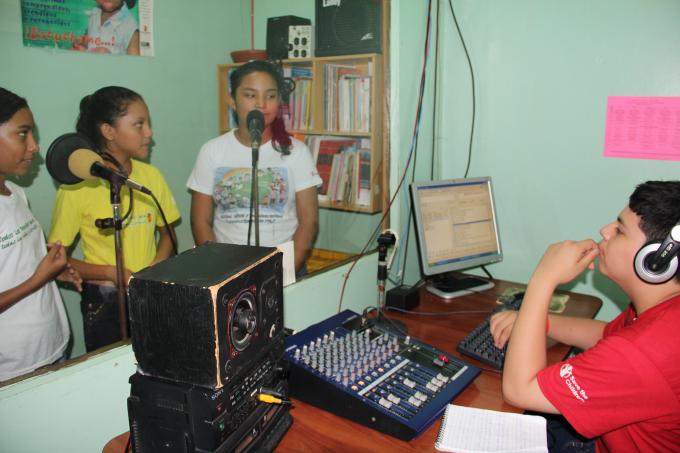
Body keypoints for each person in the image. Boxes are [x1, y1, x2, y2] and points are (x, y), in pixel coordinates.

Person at [490, 180, 680, 452]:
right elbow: (605, 335)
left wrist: (543, 279)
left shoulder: (641, 354)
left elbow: (519, 391)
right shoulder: (663, 311)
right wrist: (537, 323)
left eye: (620, 231)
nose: (605, 231)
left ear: (656, 260)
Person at [48, 86, 180, 352]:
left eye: (148, 124)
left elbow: (168, 234)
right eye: (139, 124)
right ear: (109, 131)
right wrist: (111, 273)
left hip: (149, 292)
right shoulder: (77, 187)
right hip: (104, 301)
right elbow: (56, 259)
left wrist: (154, 267)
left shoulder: (151, 176)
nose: (149, 133)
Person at [187, 60, 321, 273]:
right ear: (232, 100)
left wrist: (283, 273)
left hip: (283, 268)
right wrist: (219, 270)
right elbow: (200, 221)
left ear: (279, 102)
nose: (261, 104)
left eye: (270, 96)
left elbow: (309, 222)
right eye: (250, 95)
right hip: (226, 269)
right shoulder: (211, 151)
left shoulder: (297, 152)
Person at [0, 87, 81, 382]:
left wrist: (55, 270)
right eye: (23, 134)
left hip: (50, 346)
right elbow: (31, 278)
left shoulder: (16, 194)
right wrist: (40, 278)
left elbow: (17, 264)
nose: (34, 146)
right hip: (14, 367)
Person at [74, 0, 140, 55]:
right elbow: (86, 41)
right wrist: (79, 47)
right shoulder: (94, 14)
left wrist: (110, 60)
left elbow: (135, 66)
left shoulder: (130, 26)